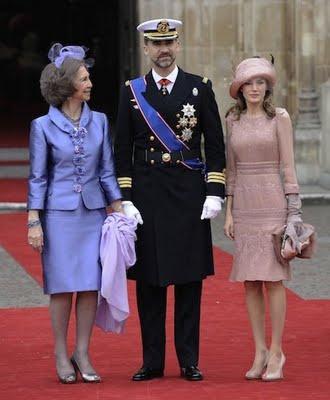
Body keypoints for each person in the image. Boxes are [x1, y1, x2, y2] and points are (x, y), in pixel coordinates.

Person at [114, 19, 226, 381]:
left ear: (178, 46)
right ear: (146, 49)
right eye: (156, 44)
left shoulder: (199, 88)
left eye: (170, 43)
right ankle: (152, 361)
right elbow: (121, 150)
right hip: (146, 195)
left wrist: (214, 190)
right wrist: (125, 197)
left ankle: (189, 360)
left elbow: (215, 144)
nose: (163, 50)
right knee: (149, 283)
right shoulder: (132, 91)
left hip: (189, 194)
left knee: (189, 280)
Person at [27, 43, 122, 384]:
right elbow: (38, 177)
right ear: (67, 85)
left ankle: (82, 351)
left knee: (89, 286)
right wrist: (34, 220)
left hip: (93, 215)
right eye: (84, 78)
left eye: (89, 77)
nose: (90, 82)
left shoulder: (100, 121)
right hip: (59, 216)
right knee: (63, 287)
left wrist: (120, 211)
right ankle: (59, 352)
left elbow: (107, 172)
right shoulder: (43, 126)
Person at [224, 56, 303, 381]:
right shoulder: (232, 119)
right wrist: (228, 212)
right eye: (249, 83)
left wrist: (294, 212)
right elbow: (232, 169)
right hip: (244, 205)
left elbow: (288, 166)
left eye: (260, 82)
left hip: (273, 203)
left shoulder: (279, 118)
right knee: (251, 281)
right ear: (240, 88)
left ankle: (276, 350)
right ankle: (258, 351)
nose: (255, 88)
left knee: (272, 279)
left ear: (267, 87)